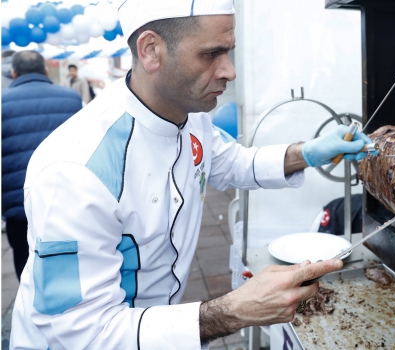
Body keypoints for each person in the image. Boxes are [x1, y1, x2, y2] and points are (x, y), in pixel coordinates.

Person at [9, 1, 375, 349]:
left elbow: (232, 163)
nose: (229, 71)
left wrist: (307, 152)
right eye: (211, 53)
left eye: (228, 51)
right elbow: (82, 334)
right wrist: (232, 311)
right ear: (151, 50)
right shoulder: (74, 171)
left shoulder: (190, 111)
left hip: (156, 329)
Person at [1, 51, 82, 282]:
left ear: (14, 73)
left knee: (24, 261)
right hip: (65, 198)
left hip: (19, 204)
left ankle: (31, 313)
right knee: (68, 259)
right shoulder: (71, 98)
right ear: (46, 71)